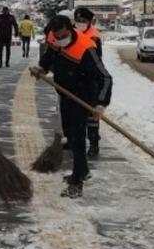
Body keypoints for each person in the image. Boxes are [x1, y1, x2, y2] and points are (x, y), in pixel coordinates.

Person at [33, 14, 112, 198]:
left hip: (84, 95)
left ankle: (77, 182)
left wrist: (101, 104)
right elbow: (50, 56)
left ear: (70, 29)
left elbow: (105, 77)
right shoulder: (54, 39)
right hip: (66, 94)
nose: (60, 39)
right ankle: (82, 170)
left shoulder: (86, 48)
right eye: (57, 36)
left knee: (77, 136)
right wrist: (42, 68)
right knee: (69, 132)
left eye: (63, 35)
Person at [73, 8, 106, 159]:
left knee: (92, 116)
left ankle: (94, 143)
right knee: (74, 114)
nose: (80, 23)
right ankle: (74, 141)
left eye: (83, 21)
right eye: (78, 20)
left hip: (90, 80)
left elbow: (96, 61)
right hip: (73, 79)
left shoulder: (94, 37)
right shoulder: (71, 33)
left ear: (89, 22)